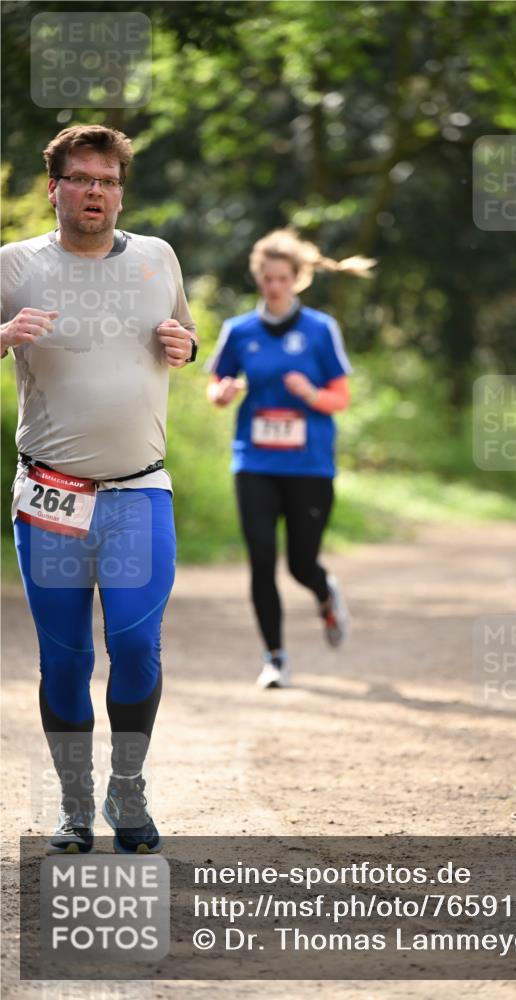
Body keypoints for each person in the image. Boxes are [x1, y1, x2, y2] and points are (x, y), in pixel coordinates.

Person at [0, 125, 198, 854]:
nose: (95, 192)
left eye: (108, 181)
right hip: (49, 497)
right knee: (65, 660)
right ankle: (76, 803)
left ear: (121, 191)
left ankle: (129, 788)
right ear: (54, 189)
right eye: (81, 179)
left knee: (137, 647)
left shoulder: (155, 258)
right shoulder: (14, 264)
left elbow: (183, 331)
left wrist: (188, 344)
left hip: (139, 492)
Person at [206, 228, 374, 688]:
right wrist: (222, 393)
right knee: (261, 558)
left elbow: (341, 397)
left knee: (301, 563)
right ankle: (274, 658)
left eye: (281, 278)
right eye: (266, 278)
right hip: (255, 462)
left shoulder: (320, 330)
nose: (273, 286)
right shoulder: (238, 331)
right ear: (258, 278)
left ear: (297, 279)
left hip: (309, 464)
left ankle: (324, 592)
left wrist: (312, 394)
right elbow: (217, 385)